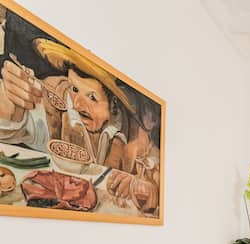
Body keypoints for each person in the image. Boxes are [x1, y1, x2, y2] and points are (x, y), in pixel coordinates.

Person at [0, 38, 158, 208]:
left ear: (114, 103)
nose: (77, 105)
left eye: (92, 97)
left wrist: (145, 185)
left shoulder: (134, 133)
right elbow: (16, 131)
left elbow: (155, 173)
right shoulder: (56, 104)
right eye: (74, 89)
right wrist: (10, 113)